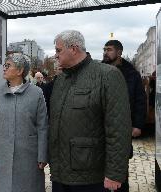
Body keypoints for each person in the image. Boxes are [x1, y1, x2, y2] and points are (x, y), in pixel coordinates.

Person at [48, 30, 132, 192]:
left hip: (91, 177)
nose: (55, 55)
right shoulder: (61, 80)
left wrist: (115, 173)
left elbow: (119, 128)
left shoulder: (107, 75)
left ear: (73, 48)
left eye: (58, 50)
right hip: (60, 174)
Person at [0, 53, 48, 192]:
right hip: (2, 153)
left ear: (20, 70)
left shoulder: (36, 93)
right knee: (3, 186)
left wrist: (42, 154)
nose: (4, 68)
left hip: (28, 154)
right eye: (4, 65)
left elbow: (42, 126)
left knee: (28, 186)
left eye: (8, 65)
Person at [103, 40, 146, 138]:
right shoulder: (98, 72)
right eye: (104, 50)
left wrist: (137, 125)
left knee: (123, 152)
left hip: (123, 123)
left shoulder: (132, 74)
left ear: (119, 52)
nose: (105, 53)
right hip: (101, 123)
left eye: (109, 50)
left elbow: (140, 100)